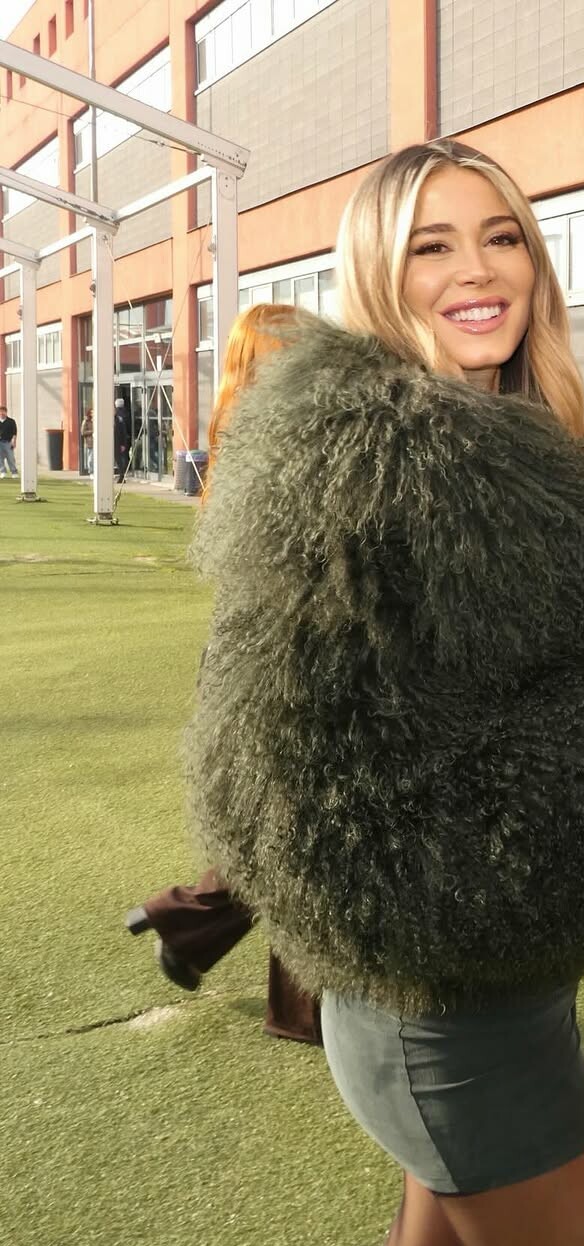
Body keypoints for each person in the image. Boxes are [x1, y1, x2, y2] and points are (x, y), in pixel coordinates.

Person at [186, 140, 584, 1246]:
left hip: (505, 981)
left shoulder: (541, 440)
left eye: (501, 236)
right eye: (433, 246)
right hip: (444, 1004)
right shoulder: (367, 475)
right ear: (379, 274)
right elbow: (309, 791)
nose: (479, 270)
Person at [125, 303, 321, 1046]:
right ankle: (208, 934)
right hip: (288, 651)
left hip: (257, 650)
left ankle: (189, 920)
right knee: (308, 825)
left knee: (295, 819)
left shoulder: (240, 432)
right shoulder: (283, 438)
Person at [113, 397, 131, 481]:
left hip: (117, 442)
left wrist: (123, 443)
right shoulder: (125, 414)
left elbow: (123, 432)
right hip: (117, 442)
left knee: (119, 459)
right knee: (121, 458)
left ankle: (121, 475)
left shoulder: (119, 419)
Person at [0, 405, 17, 479]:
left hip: (8, 442)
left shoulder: (11, 421)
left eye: (3, 412)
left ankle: (14, 472)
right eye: (0, 412)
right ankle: (3, 472)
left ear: (6, 412)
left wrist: (14, 441)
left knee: (10, 458)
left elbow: (14, 432)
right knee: (0, 458)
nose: (2, 413)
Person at [80, 407, 94, 474]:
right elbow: (83, 432)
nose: (93, 414)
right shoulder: (86, 421)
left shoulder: (96, 420)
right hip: (90, 441)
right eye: (92, 412)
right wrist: (92, 431)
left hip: (96, 441)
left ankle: (94, 470)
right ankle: (90, 470)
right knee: (91, 457)